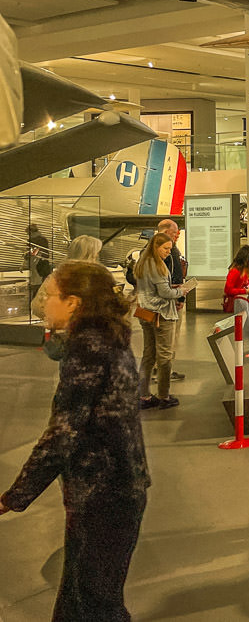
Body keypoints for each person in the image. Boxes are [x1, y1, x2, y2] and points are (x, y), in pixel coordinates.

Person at [1, 261, 150, 621]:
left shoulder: (88, 350)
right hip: (118, 488)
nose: (43, 305)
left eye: (50, 296)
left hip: (102, 493)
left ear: (73, 302)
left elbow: (62, 435)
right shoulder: (108, 339)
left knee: (97, 603)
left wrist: (13, 498)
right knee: (79, 598)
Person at [134, 232, 190, 409]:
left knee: (148, 355)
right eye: (165, 248)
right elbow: (164, 293)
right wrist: (181, 292)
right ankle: (164, 396)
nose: (168, 252)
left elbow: (154, 288)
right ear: (156, 247)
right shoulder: (157, 266)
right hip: (162, 315)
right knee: (165, 357)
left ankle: (143, 395)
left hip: (146, 313)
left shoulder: (143, 263)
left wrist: (170, 288)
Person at [32, 235, 104, 362]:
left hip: (69, 341)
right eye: (96, 254)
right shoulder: (95, 279)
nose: (98, 258)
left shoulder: (58, 276)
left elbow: (38, 306)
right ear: (88, 255)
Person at [156, 220, 187, 383]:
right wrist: (178, 296)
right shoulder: (163, 252)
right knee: (168, 338)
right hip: (167, 303)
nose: (177, 236)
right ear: (167, 232)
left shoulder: (152, 251)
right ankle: (163, 374)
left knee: (164, 339)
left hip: (166, 301)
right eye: (175, 233)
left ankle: (162, 370)